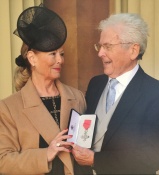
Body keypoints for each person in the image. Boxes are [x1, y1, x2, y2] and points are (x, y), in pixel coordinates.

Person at [0, 4, 86, 175]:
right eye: (52, 54)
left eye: (61, 54)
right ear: (32, 58)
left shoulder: (78, 97)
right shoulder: (9, 108)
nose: (60, 60)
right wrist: (46, 154)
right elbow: (3, 162)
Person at [72, 13, 159, 174]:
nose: (100, 53)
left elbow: (152, 158)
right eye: (100, 46)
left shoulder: (155, 93)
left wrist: (95, 160)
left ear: (133, 50)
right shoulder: (95, 84)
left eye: (108, 46)